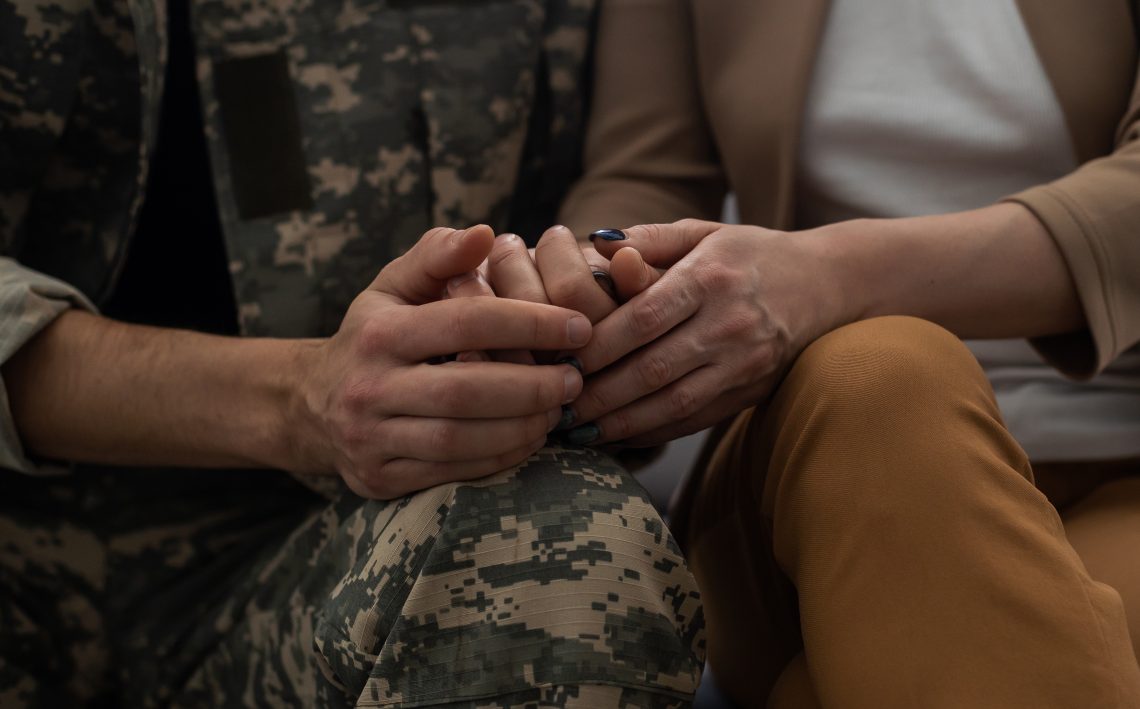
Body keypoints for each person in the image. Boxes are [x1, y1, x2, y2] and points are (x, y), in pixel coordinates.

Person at [0, 0, 705, 706]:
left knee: (557, 541)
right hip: (25, 557)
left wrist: (561, 283)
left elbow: (644, 160)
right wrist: (300, 398)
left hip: (320, 552)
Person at [557, 0, 1140, 707]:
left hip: (1121, 465)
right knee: (884, 372)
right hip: (815, 472)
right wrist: (591, 283)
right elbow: (648, 176)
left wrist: (834, 274)